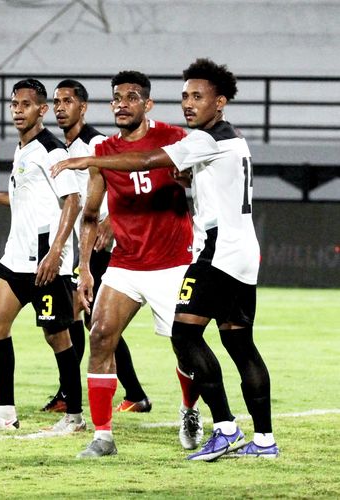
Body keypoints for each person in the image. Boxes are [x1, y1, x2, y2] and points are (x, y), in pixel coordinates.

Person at [55, 59, 278, 461]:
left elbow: (145, 161)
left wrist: (83, 160)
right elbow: (192, 175)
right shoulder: (229, 138)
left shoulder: (192, 139)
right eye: (186, 96)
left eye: (198, 96)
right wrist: (86, 263)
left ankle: (220, 424)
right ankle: (263, 440)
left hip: (204, 254)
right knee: (234, 342)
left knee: (185, 336)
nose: (189, 104)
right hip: (226, 252)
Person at [52, 71, 202, 458]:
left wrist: (188, 181)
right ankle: (103, 436)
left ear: (147, 105)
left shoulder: (173, 138)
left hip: (172, 263)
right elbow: (89, 213)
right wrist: (84, 267)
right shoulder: (103, 152)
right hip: (125, 264)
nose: (122, 103)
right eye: (116, 97)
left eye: (132, 97)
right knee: (101, 334)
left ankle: (189, 408)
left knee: (186, 350)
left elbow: (193, 181)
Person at [0, 78, 83, 433]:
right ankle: (6, 412)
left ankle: (75, 417)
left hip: (45, 261)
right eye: (14, 105)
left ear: (42, 109)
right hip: (16, 258)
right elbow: (32, 198)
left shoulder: (52, 149)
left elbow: (72, 201)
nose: (18, 111)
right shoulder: (24, 148)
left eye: (26, 105)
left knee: (56, 336)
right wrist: (0, 198)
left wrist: (55, 252)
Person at [47, 79, 152, 414]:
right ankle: (131, 393)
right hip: (87, 245)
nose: (60, 108)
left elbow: (123, 181)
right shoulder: (65, 147)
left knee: (88, 320)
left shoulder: (96, 143)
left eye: (67, 101)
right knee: (90, 321)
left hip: (107, 246)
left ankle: (74, 393)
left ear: (84, 107)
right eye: (56, 102)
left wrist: (109, 222)